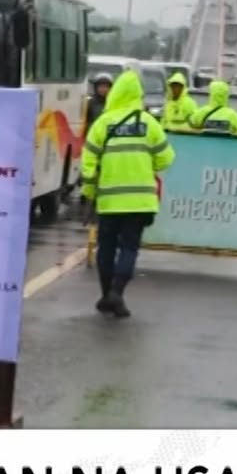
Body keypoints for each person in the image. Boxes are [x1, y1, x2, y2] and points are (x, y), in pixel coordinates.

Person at [79, 70, 174, 318]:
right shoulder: (149, 123)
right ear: (138, 95)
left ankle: (105, 295)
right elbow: (166, 158)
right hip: (140, 201)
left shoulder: (103, 123)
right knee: (129, 248)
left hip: (109, 201)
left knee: (106, 248)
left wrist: (90, 190)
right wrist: (146, 165)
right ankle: (117, 293)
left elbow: (88, 161)